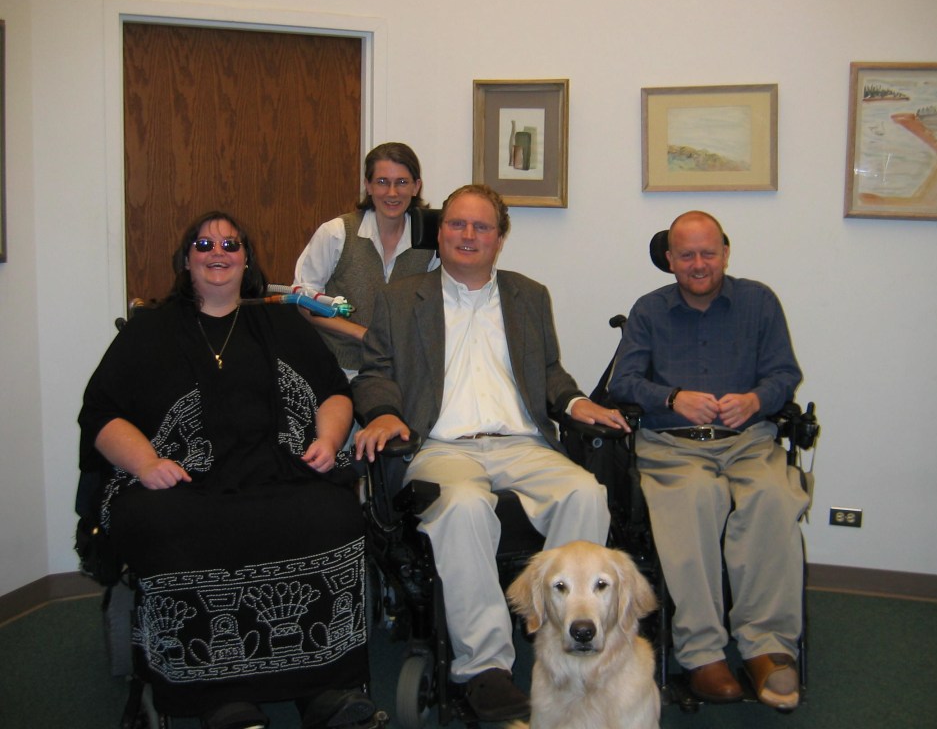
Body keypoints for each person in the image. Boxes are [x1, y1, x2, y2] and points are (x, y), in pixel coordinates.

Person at [77, 211, 378, 729]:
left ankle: (323, 688)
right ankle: (217, 699)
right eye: (204, 244)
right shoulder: (150, 329)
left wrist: (328, 439)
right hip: (183, 482)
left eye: (230, 244)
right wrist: (146, 463)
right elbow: (101, 413)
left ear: (246, 259)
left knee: (332, 514)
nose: (218, 253)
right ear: (187, 260)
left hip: (278, 471)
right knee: (171, 528)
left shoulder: (282, 321)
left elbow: (334, 392)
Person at [352, 184, 630, 722]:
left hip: (522, 442)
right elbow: (375, 373)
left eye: (482, 227)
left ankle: (568, 649)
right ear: (441, 231)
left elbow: (549, 372)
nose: (468, 235)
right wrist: (382, 411)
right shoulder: (399, 298)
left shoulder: (529, 295)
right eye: (457, 224)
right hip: (442, 445)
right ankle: (485, 668)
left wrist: (575, 401)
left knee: (586, 494)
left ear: (499, 239)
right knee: (463, 506)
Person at [608, 210, 808, 711]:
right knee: (696, 500)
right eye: (687, 254)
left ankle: (766, 648)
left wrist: (755, 400)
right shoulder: (649, 311)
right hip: (673, 446)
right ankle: (702, 653)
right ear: (670, 259)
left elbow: (784, 374)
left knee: (773, 498)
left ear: (725, 252)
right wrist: (673, 397)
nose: (699, 264)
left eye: (708, 253)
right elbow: (622, 384)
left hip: (748, 439)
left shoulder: (759, 302)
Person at [293, 142, 440, 376]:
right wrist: (360, 333)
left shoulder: (430, 242)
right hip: (337, 368)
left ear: (416, 187)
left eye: (402, 182)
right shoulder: (337, 233)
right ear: (368, 186)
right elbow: (302, 302)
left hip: (399, 371)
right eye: (382, 182)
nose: (392, 193)